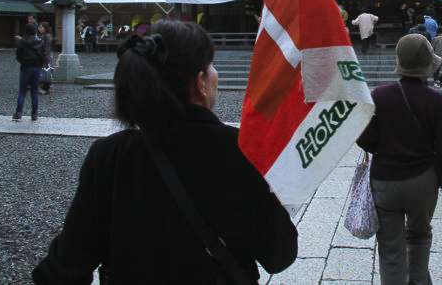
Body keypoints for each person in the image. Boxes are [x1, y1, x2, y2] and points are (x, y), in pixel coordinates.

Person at [33, 21, 298, 284]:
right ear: (200, 82)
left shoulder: (109, 155)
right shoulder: (239, 150)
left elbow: (67, 264)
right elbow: (279, 255)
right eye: (210, 65)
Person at [357, 34, 442, 285]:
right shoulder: (437, 99)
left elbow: (363, 139)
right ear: (428, 63)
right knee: (420, 236)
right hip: (423, 180)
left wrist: (384, 145)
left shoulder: (378, 96)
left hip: (385, 180)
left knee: (390, 244)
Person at [14, 24, 44, 122]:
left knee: (22, 91)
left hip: (25, 68)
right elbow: (43, 55)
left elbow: (18, 55)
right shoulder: (40, 42)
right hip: (36, 68)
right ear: (35, 31)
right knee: (34, 92)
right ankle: (34, 114)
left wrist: (23, 61)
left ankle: (18, 112)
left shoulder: (22, 42)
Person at [38, 22, 53, 95]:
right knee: (44, 72)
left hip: (45, 57)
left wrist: (46, 56)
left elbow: (47, 47)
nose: (39, 29)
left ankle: (45, 88)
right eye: (39, 27)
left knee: (45, 72)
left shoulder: (47, 36)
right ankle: (45, 88)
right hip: (42, 56)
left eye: (41, 27)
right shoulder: (42, 36)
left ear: (45, 28)